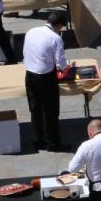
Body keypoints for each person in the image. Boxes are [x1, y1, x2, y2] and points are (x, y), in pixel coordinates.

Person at [23, 11, 69, 152]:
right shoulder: (55, 38)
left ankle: (38, 141)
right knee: (50, 111)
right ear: (59, 25)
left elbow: (26, 53)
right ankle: (53, 144)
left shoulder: (31, 31)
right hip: (46, 77)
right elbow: (61, 64)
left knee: (35, 109)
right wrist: (66, 66)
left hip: (30, 74)